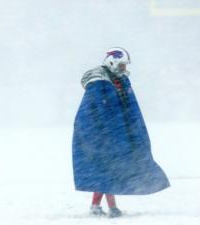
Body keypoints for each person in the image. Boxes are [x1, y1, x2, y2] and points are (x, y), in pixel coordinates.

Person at [72, 47, 170, 218]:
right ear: (112, 62)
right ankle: (109, 208)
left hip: (115, 133)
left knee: (107, 170)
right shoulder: (99, 83)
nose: (124, 69)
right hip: (101, 135)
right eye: (122, 65)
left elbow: (125, 107)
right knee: (108, 169)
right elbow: (98, 110)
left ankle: (98, 207)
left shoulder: (119, 80)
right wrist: (103, 134)